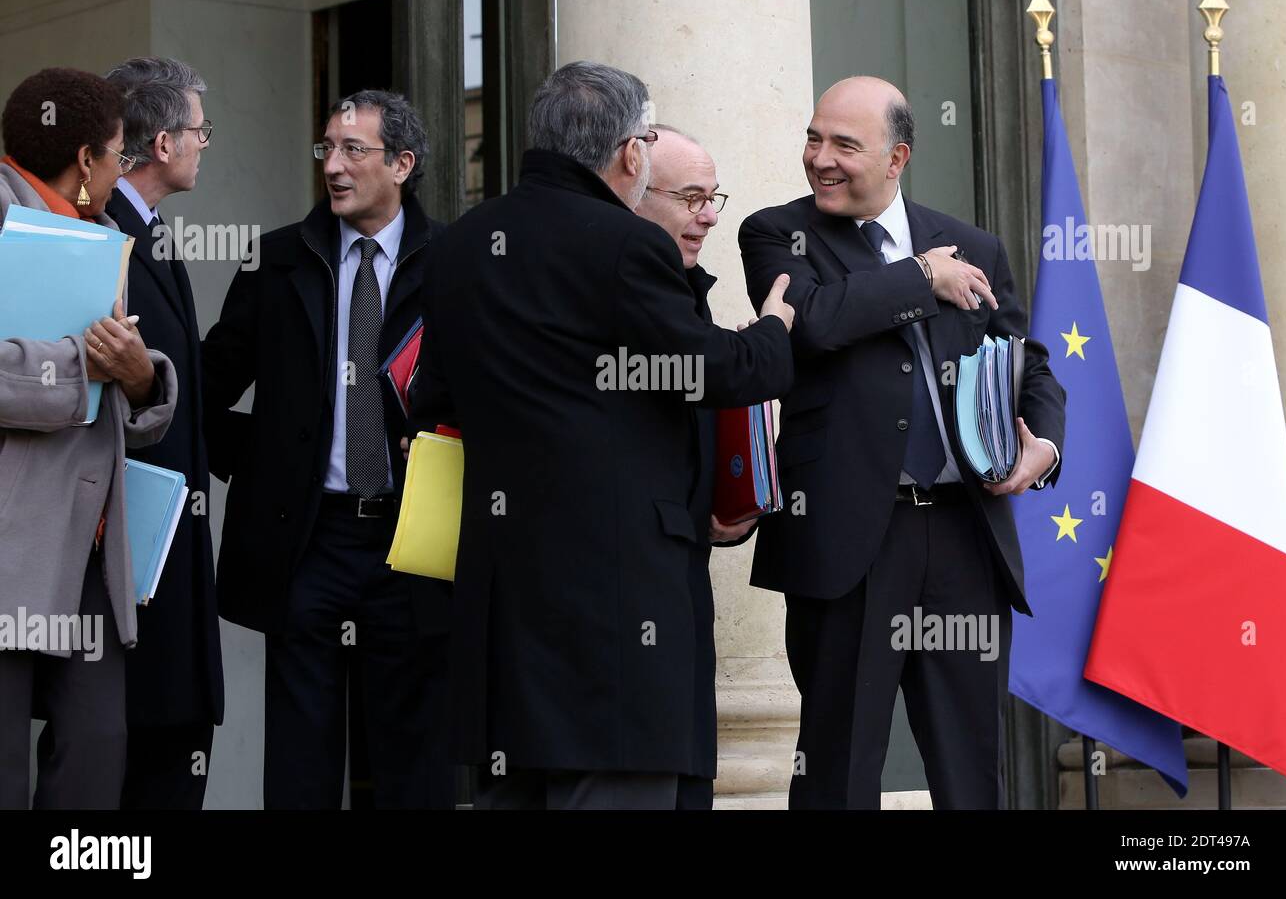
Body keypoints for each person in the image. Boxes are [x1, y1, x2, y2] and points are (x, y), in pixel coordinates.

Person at [411, 61, 795, 810]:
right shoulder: (624, 245)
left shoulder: (459, 245)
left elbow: (433, 399)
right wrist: (776, 330)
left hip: (502, 598)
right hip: (616, 611)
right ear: (629, 153)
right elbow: (713, 371)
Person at [740, 76, 1066, 809]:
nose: (820, 158)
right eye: (813, 137)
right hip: (850, 538)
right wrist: (922, 276)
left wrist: (1044, 445)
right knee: (838, 763)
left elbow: (1028, 363)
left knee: (970, 766)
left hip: (963, 534)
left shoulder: (973, 244)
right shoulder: (775, 233)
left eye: (844, 145)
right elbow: (815, 323)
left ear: (897, 157)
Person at [202, 90, 453, 809]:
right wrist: (263, 460)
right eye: (326, 150)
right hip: (309, 542)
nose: (333, 167)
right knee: (302, 757)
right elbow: (211, 383)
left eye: (353, 151)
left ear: (402, 164)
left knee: (414, 755)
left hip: (412, 539)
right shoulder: (280, 258)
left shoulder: (452, 262)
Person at [0, 67, 178, 808]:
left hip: (95, 552)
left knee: (97, 752)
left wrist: (141, 377)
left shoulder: (102, 236)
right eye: (114, 154)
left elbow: (120, 381)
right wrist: (87, 366)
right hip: (11, 546)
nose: (118, 171)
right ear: (84, 160)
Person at [103, 56, 223, 810]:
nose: (206, 144)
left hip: (165, 548)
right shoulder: (101, 235)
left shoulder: (145, 231)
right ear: (163, 144)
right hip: (131, 551)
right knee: (133, 762)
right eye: (200, 130)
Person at [633, 123, 752, 809]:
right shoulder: (621, 288)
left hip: (685, 578)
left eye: (715, 199)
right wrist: (771, 334)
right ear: (634, 189)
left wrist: (725, 502)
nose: (708, 216)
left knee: (687, 782)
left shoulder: (690, 290)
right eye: (691, 198)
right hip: (626, 593)